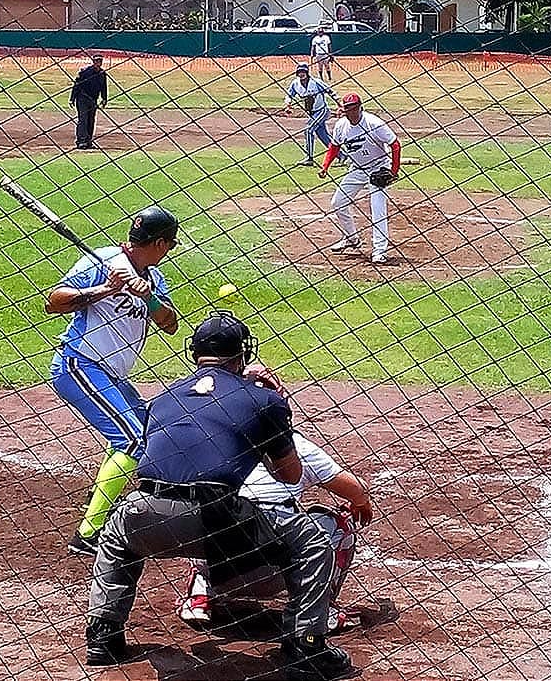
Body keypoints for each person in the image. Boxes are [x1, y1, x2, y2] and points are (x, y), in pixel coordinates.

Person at [85, 312, 354, 681]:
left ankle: (104, 636)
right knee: (311, 541)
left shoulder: (163, 399)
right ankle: (306, 645)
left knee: (115, 535)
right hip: (216, 518)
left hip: (145, 512)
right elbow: (289, 474)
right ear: (242, 354)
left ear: (193, 352)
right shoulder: (263, 401)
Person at [178, 363, 373, 634]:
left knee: (198, 505)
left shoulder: (206, 441)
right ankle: (320, 610)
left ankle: (200, 594)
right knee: (339, 524)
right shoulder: (297, 446)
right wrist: (360, 503)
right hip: (276, 572)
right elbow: (357, 491)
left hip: (218, 565)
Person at [46, 206, 180, 556]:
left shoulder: (153, 276)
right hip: (80, 365)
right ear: (160, 242)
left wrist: (146, 296)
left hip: (112, 374)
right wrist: (106, 289)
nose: (169, 250)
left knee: (146, 431)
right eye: (170, 244)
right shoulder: (101, 261)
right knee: (134, 441)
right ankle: (89, 533)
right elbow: (54, 301)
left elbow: (170, 324)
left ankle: (101, 492)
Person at [319, 92, 401, 265]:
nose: (348, 112)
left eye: (352, 108)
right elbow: (334, 147)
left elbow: (395, 144)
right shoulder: (341, 125)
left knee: (377, 207)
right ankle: (351, 238)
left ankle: (379, 251)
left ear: (359, 108)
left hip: (378, 167)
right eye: (346, 108)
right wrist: (325, 166)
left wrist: (393, 171)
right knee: (337, 203)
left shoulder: (374, 123)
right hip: (357, 168)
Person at [284, 62, 343, 168]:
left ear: (307, 72)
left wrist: (340, 105)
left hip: (322, 111)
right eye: (299, 72)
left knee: (308, 130)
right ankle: (342, 156)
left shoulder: (316, 82)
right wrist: (288, 105)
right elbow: (289, 95)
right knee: (323, 136)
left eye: (303, 71)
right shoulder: (295, 84)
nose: (301, 74)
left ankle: (309, 158)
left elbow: (330, 92)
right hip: (312, 114)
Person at [69, 54, 108, 150]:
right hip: (82, 98)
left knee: (91, 120)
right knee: (83, 119)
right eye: (96, 61)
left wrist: (104, 98)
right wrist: (72, 98)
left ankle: (88, 140)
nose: (98, 63)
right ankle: (81, 141)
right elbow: (77, 85)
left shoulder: (102, 74)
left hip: (93, 99)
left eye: (100, 61)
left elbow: (104, 87)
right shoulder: (85, 72)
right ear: (93, 61)